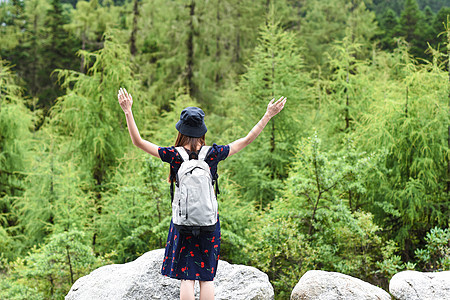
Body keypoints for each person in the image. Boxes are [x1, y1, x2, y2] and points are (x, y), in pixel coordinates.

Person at [118, 88, 286, 300]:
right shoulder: (213, 154)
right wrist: (268, 115)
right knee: (206, 278)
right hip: (208, 223)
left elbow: (139, 142)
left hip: (183, 223)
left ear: (181, 130)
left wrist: (128, 111)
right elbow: (246, 140)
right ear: (202, 131)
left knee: (186, 277)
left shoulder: (174, 155)